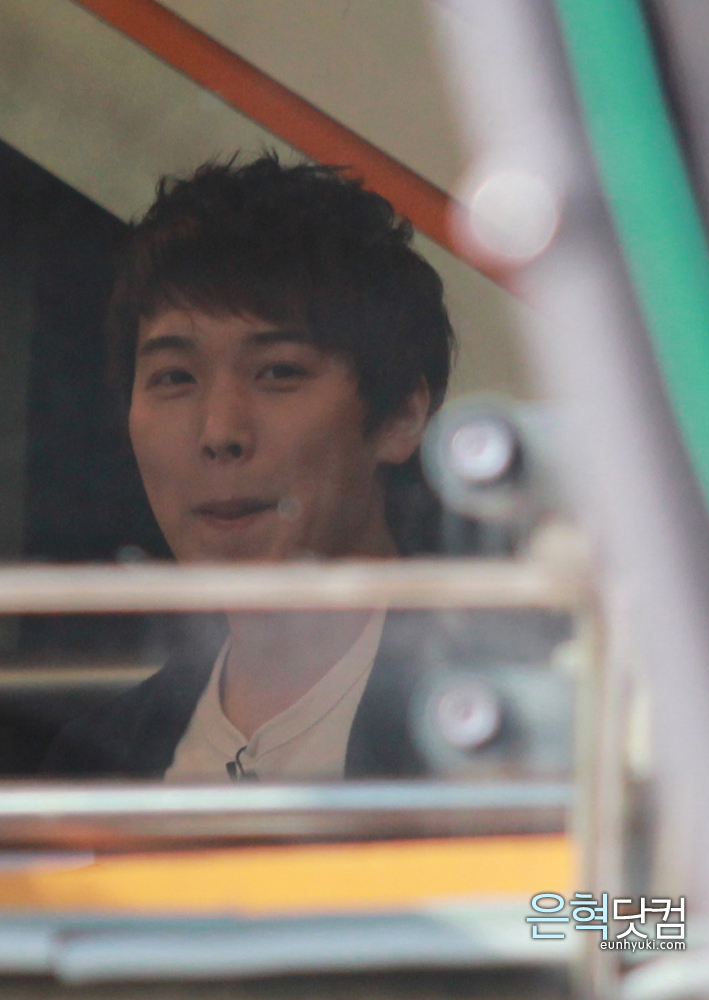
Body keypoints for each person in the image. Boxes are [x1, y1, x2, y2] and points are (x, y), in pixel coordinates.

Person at [45, 153, 455, 780]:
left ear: (402, 414)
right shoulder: (95, 766)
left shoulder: (491, 723)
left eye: (279, 372)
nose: (220, 434)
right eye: (174, 378)